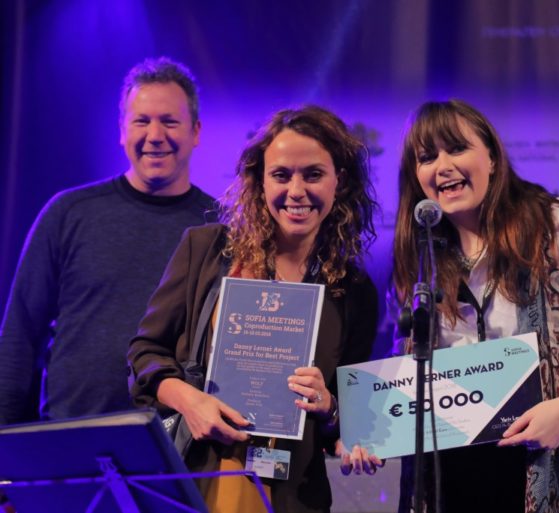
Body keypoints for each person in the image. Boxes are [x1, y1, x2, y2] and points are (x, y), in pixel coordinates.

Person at [390, 100, 559, 513]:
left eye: (456, 148)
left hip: (546, 454)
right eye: (427, 157)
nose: (443, 166)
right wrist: (368, 430)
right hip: (449, 474)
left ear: (491, 156)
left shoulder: (558, 226)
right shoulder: (422, 256)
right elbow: (407, 374)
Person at [127, 105, 380, 513]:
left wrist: (330, 407)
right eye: (281, 175)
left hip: (294, 495)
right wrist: (192, 402)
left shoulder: (354, 291)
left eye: (313, 174)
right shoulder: (206, 250)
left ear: (340, 181)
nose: (296, 191)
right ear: (259, 182)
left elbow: (350, 414)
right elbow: (145, 354)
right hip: (198, 480)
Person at [0, 57, 214, 425]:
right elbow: (19, 337)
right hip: (72, 437)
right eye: (141, 121)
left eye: (169, 121)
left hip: (180, 444)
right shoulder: (69, 213)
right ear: (122, 130)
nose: (155, 135)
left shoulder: (222, 226)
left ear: (195, 131)